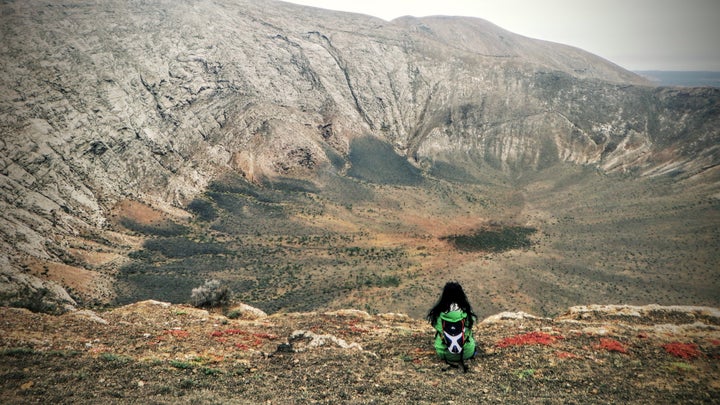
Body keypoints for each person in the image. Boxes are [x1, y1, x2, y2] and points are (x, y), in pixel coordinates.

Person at [427, 281, 478, 370]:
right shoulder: (466, 313)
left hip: (443, 353)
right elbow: (470, 325)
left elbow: (437, 327)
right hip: (467, 353)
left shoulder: (439, 314)